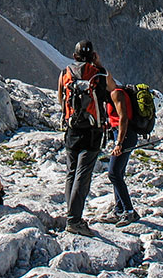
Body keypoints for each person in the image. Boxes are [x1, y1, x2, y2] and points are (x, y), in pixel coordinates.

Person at [58, 40, 115, 237]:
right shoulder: (98, 73)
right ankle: (74, 220)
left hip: (71, 129)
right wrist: (99, 65)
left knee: (71, 173)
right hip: (93, 131)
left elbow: (61, 99)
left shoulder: (65, 72)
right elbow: (113, 89)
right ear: (92, 56)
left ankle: (71, 214)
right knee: (83, 174)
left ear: (74, 56)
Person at [106, 85, 139, 225]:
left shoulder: (116, 93)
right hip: (123, 135)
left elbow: (123, 118)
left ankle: (129, 211)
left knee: (113, 173)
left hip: (124, 136)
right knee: (118, 173)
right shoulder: (115, 92)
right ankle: (119, 209)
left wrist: (119, 143)